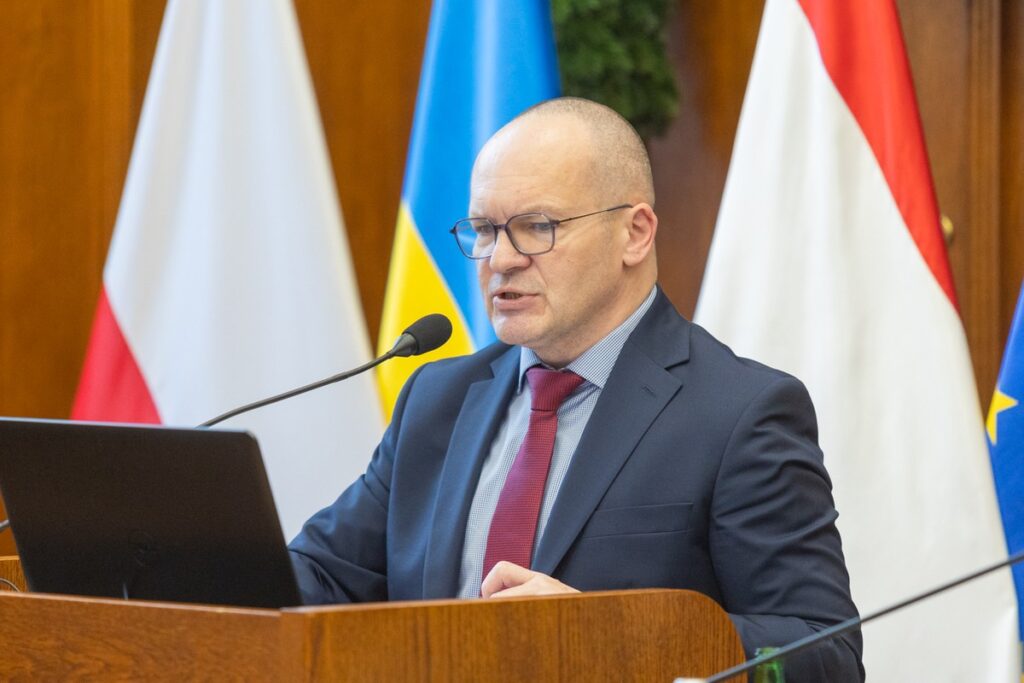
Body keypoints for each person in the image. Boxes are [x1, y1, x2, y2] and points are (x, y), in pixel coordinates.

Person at [289, 97, 864, 681]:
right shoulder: (438, 400)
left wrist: (604, 633)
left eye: (537, 227)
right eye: (485, 230)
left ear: (634, 234)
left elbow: (825, 655)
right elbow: (321, 576)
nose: (501, 260)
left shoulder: (738, 412)